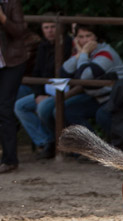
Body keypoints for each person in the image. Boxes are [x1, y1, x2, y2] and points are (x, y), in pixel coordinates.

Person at [60, 24, 123, 134]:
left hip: (121, 98)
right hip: (99, 97)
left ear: (96, 37)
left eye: (88, 36)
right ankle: (87, 148)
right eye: (80, 37)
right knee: (69, 109)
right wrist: (81, 54)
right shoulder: (84, 53)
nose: (84, 40)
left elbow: (84, 77)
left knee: (102, 115)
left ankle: (117, 147)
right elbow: (63, 73)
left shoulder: (106, 53)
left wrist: (83, 53)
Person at [14, 17, 72, 159]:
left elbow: (66, 73)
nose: (50, 30)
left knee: (43, 108)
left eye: (53, 26)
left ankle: (57, 143)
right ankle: (46, 141)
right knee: (20, 106)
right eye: (46, 27)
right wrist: (39, 94)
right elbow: (37, 73)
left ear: (60, 28)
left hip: (64, 89)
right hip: (45, 89)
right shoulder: (43, 46)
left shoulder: (69, 44)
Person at [0, 0, 28, 174]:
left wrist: (3, 18)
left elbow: (19, 32)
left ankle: (10, 159)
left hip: (12, 62)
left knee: (4, 107)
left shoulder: (11, 3)